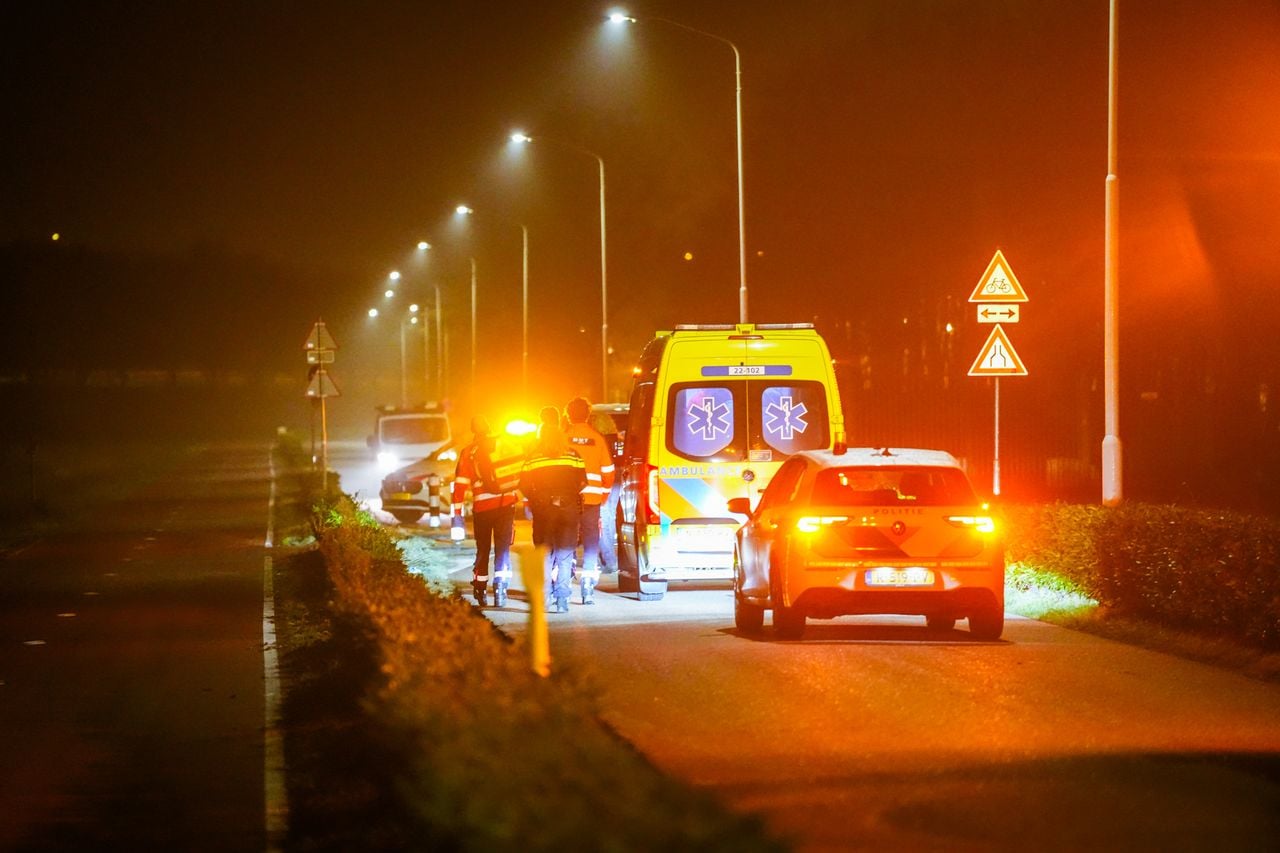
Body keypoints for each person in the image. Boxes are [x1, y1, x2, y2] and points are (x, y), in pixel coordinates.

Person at [451, 415, 523, 607]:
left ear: (473, 430)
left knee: (483, 549)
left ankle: (480, 588)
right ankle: (500, 589)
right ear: (489, 428)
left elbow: (460, 486)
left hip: (482, 507)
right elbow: (517, 472)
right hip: (505, 504)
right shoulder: (503, 446)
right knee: (503, 548)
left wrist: (457, 514)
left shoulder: (468, 452)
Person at [519, 421, 585, 613]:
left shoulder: (533, 458)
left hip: (543, 511)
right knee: (565, 555)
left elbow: (523, 485)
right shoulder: (573, 455)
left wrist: (537, 498)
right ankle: (562, 600)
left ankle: (544, 598)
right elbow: (583, 481)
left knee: (544, 555)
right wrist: (569, 495)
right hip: (568, 509)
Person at [563, 396, 614, 605]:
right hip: (592, 499)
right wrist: (604, 495)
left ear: (568, 415)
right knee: (591, 542)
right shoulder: (597, 439)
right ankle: (587, 588)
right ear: (588, 414)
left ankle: (564, 581)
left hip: (568, 499)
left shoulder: (562, 438)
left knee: (566, 539)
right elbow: (608, 472)